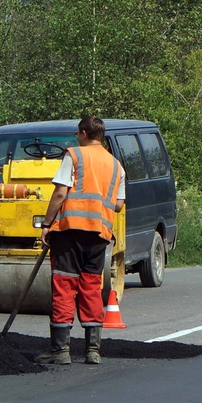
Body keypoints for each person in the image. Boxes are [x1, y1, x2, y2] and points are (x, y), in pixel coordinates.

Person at [37, 116, 126, 366]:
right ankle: (92, 350)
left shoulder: (74, 155)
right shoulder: (116, 165)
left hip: (70, 232)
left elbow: (61, 192)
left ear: (85, 133)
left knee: (65, 286)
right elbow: (118, 205)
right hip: (99, 236)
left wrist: (46, 224)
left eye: (77, 133)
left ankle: (61, 350)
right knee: (91, 288)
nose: (76, 136)